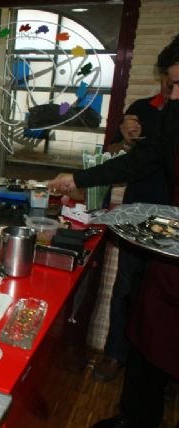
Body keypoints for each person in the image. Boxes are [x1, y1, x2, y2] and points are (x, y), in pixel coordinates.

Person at [48, 34, 179, 428]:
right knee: (144, 324)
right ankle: (134, 418)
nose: (173, 95)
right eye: (172, 84)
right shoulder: (171, 115)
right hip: (163, 247)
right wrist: (81, 177)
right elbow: (139, 161)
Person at [93, 56, 172, 383]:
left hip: (173, 226)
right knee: (125, 290)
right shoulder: (143, 108)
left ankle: (161, 370)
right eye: (169, 81)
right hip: (137, 220)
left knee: (166, 301)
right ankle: (115, 354)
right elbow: (110, 153)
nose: (171, 89)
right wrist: (125, 141)